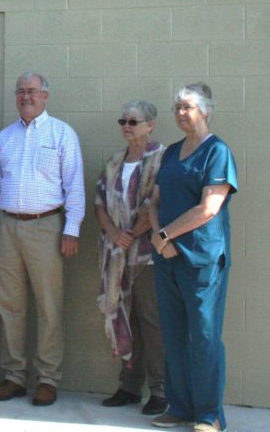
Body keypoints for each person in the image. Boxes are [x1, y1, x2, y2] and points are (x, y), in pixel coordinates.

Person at [0, 72, 84, 406]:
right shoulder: (4, 138)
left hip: (47, 227)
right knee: (9, 305)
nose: (26, 97)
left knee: (49, 305)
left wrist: (72, 229)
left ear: (45, 96)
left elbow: (75, 186)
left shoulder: (61, 134)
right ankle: (14, 376)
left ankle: (48, 378)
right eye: (21, 91)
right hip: (8, 226)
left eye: (33, 92)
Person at [148, 84, 237, 432]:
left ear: (205, 111)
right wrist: (158, 237)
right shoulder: (171, 153)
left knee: (203, 335)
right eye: (176, 108)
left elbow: (209, 208)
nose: (180, 113)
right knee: (173, 334)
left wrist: (167, 234)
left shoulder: (217, 152)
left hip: (201, 259)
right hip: (166, 256)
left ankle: (209, 415)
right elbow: (154, 200)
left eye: (187, 107)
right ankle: (180, 406)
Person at [94, 101, 167, 415]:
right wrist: (114, 233)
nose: (127, 126)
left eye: (134, 121)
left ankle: (161, 390)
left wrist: (131, 235)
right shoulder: (113, 162)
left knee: (150, 320)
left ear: (150, 125)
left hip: (147, 254)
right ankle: (129, 385)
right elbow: (99, 202)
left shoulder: (162, 159)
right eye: (122, 120)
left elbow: (157, 202)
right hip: (116, 254)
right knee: (123, 316)